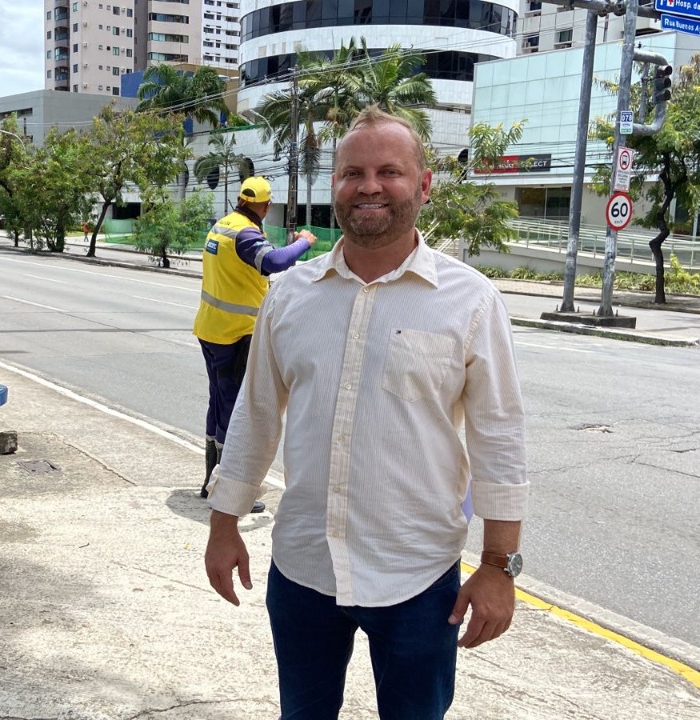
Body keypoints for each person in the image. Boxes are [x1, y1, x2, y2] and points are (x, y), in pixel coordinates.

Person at [203, 106, 528, 719]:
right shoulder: (290, 296)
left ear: (423, 185)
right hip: (302, 569)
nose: (370, 186)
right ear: (335, 186)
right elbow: (255, 417)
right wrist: (223, 527)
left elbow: (499, 438)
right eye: (353, 172)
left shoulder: (471, 301)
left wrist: (498, 567)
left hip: (418, 575)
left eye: (390, 171)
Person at [194, 176, 315, 514]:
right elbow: (274, 262)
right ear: (262, 206)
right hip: (236, 334)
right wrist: (303, 241)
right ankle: (227, 493)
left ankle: (209, 484)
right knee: (234, 413)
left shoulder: (223, 225)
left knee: (218, 404)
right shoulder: (246, 233)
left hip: (210, 327)